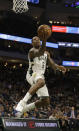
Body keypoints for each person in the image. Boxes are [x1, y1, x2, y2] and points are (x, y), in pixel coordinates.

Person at [15, 33, 66, 118]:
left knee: (45, 101)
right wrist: (45, 39)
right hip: (32, 74)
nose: (37, 40)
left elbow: (51, 64)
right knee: (41, 81)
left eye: (38, 39)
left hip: (40, 76)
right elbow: (40, 52)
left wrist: (59, 67)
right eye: (34, 39)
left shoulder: (46, 53)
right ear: (32, 43)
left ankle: (23, 110)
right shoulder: (32, 51)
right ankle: (21, 103)